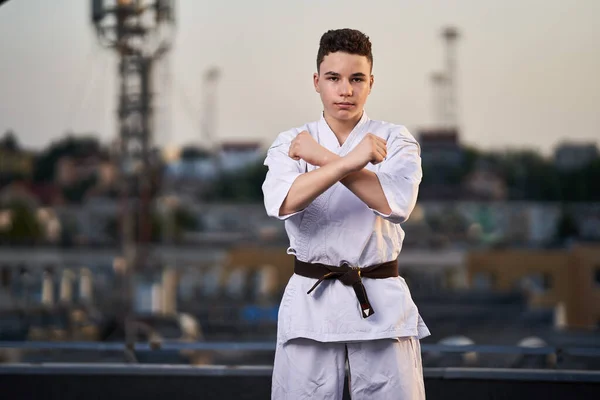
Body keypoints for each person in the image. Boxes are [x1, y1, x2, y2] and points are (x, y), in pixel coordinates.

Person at [262, 28, 429, 399]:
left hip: (381, 303)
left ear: (371, 82)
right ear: (317, 82)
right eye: (334, 78)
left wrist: (321, 159)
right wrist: (352, 159)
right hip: (311, 303)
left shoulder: (396, 139)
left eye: (356, 79)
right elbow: (286, 201)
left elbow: (393, 204)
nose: (345, 90)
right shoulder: (291, 141)